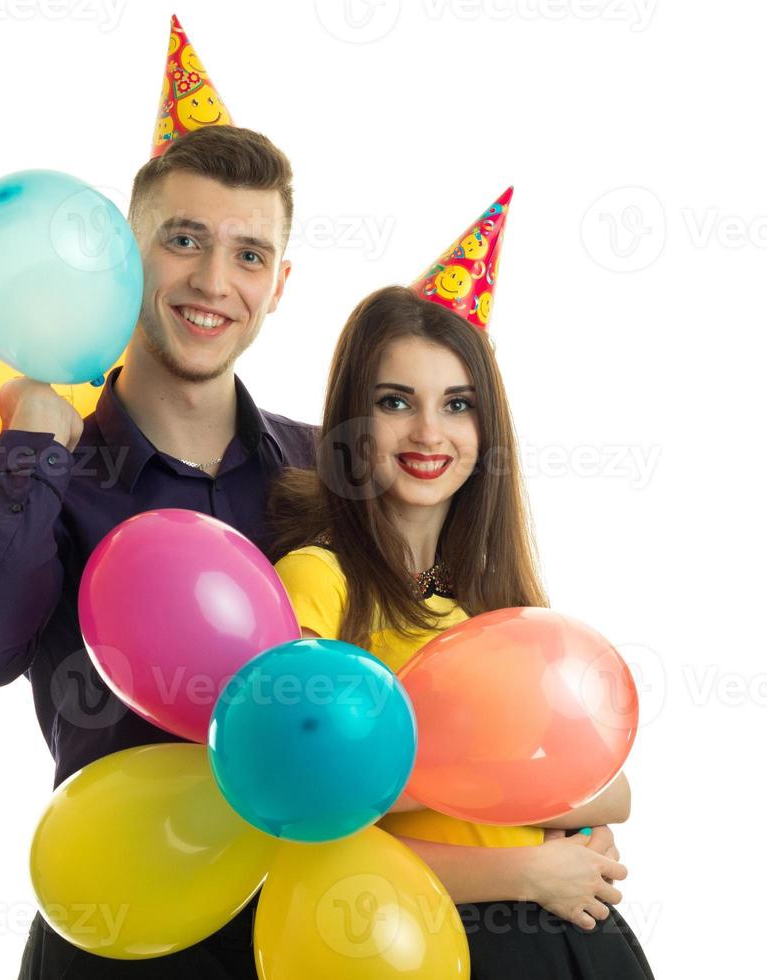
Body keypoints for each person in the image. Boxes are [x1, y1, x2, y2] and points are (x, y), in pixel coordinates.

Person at [0, 20, 314, 975]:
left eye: (250, 255)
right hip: (112, 936)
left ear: (281, 283)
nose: (215, 282)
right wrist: (31, 448)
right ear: (126, 254)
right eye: (184, 240)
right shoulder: (47, 468)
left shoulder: (320, 471)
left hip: (304, 939)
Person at [267, 199, 655, 978]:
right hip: (445, 946)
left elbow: (612, 793)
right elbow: (310, 820)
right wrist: (525, 869)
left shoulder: (483, 607)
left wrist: (561, 832)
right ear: (352, 420)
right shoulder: (316, 583)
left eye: (456, 405)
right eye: (394, 402)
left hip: (581, 942)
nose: (428, 434)